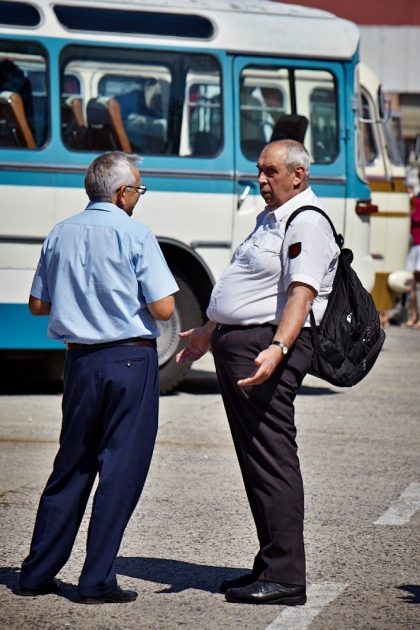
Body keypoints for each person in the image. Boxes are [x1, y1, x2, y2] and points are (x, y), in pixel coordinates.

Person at [176, 139, 340, 606]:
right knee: (256, 460)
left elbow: (301, 295)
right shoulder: (273, 218)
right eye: (259, 171)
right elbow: (245, 285)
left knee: (271, 461)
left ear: (298, 176)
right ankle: (271, 564)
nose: (261, 180)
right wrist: (210, 331)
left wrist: (277, 348)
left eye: (271, 172)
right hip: (245, 343)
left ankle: (286, 575)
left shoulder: (306, 221)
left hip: (269, 347)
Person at [18, 151, 179, 604]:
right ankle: (96, 580)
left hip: (80, 362)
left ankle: (35, 573)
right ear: (122, 192)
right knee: (119, 472)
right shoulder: (135, 233)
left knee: (72, 466)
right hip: (129, 359)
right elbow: (164, 308)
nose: (138, 198)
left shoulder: (60, 231)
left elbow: (37, 305)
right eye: (138, 190)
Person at [401, 189, 420, 328]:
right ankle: (413, 316)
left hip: (418, 246)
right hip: (413, 246)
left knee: (415, 283)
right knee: (411, 283)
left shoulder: (417, 204)